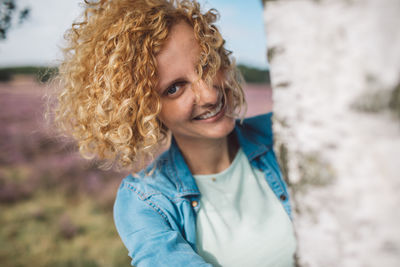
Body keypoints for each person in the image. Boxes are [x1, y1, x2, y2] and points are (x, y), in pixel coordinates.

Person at [53, 0, 297, 266]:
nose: (210, 94)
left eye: (207, 65)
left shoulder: (284, 132)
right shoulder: (144, 202)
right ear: (142, 108)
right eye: (174, 88)